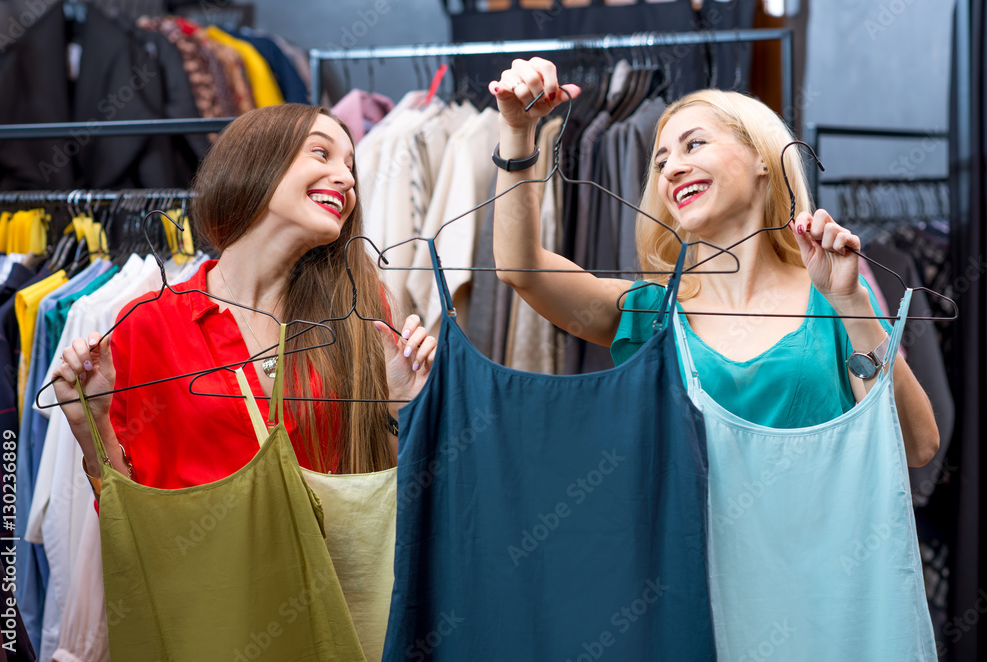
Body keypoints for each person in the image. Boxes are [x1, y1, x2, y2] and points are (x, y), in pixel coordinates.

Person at [488, 58, 939, 466]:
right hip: (688, 557)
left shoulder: (834, 296)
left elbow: (917, 447)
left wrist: (852, 303)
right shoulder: (651, 313)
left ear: (762, 158)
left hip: (818, 556)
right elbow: (518, 267)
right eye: (661, 162)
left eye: (694, 144)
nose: (671, 169)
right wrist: (517, 131)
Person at [52, 104, 438, 490]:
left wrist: (400, 405)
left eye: (350, 166)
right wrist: (91, 428)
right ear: (257, 163)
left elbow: (389, 495)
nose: (346, 179)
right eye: (321, 153)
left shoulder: (362, 315)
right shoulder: (149, 326)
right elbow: (130, 516)